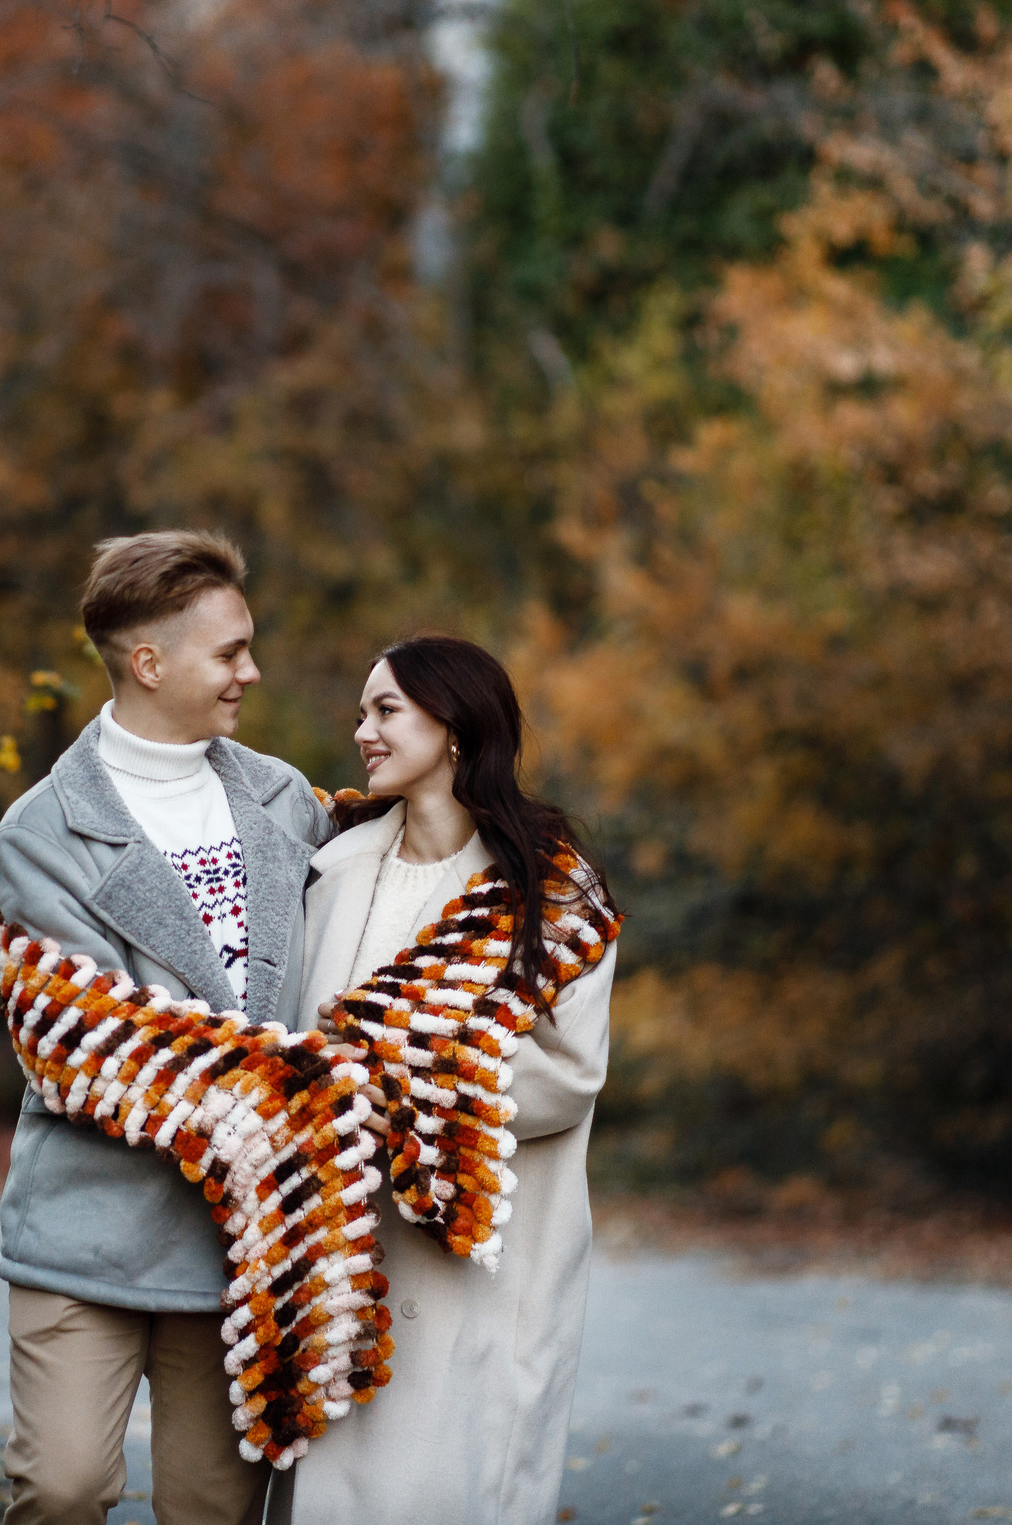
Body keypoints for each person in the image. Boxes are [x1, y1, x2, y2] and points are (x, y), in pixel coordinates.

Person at [0, 530, 336, 1525]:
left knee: (211, 1511)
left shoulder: (282, 800)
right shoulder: (42, 831)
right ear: (150, 663)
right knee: (61, 1490)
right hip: (84, 1233)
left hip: (239, 1249)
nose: (250, 672)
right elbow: (91, 1048)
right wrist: (302, 1096)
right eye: (229, 652)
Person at [273, 633, 620, 1525]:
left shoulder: (549, 888)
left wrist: (391, 1079)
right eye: (361, 711)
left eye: (386, 709)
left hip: (475, 1254)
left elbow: (570, 1076)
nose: (363, 731)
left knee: (441, 1491)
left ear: (456, 728)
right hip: (342, 1249)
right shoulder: (332, 868)